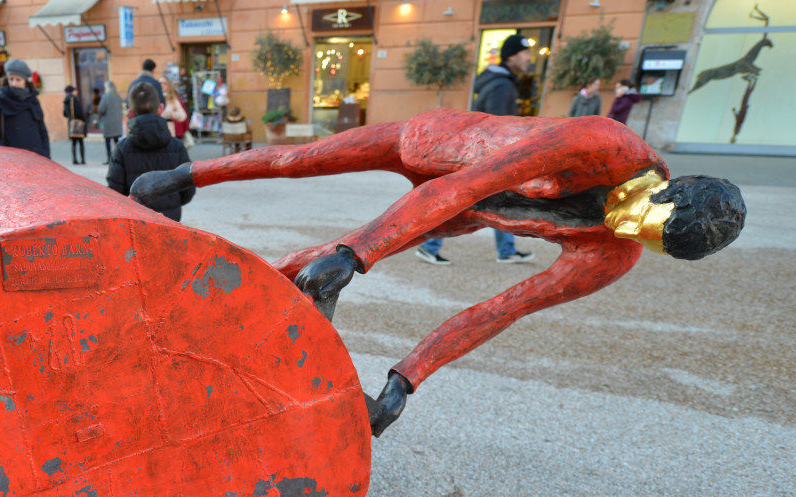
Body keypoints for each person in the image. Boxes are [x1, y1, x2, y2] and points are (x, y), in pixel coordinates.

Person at [130, 109, 745, 436]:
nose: (629, 233)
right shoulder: (600, 143)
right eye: (645, 221)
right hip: (437, 146)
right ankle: (181, 178)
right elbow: (465, 182)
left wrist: (404, 383)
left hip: (465, 212)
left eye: (651, 245)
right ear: (665, 192)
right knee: (300, 160)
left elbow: (501, 310)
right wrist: (360, 255)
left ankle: (200, 301)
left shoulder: (615, 253)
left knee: (316, 265)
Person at [416, 33, 535, 266]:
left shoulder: (501, 82)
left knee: (500, 203)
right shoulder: (501, 86)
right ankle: (429, 245)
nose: (529, 59)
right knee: (470, 203)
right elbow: (497, 127)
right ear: (511, 56)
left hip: (481, 155)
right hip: (486, 158)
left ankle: (506, 250)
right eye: (525, 54)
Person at [107, 82, 193, 222]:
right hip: (170, 221)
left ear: (130, 113)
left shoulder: (122, 149)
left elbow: (114, 193)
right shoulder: (177, 147)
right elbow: (188, 190)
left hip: (135, 222)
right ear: (160, 109)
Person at [0, 59, 49, 158]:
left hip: (37, 158)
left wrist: (46, 155)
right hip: (14, 160)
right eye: (11, 79)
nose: (14, 83)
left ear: (25, 81)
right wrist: (6, 157)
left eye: (18, 79)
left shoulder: (33, 100)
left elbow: (42, 132)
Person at [96, 80, 123, 164]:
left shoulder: (106, 96)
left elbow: (101, 109)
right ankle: (120, 158)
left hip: (108, 122)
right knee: (117, 141)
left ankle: (109, 158)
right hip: (117, 122)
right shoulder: (118, 96)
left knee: (107, 141)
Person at [63, 85, 86, 164]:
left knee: (73, 142)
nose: (77, 92)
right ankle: (82, 160)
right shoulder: (74, 99)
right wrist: (84, 120)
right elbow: (79, 112)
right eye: (75, 90)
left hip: (71, 123)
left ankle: (74, 159)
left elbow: (64, 114)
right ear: (72, 91)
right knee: (80, 141)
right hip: (78, 123)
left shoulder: (66, 100)